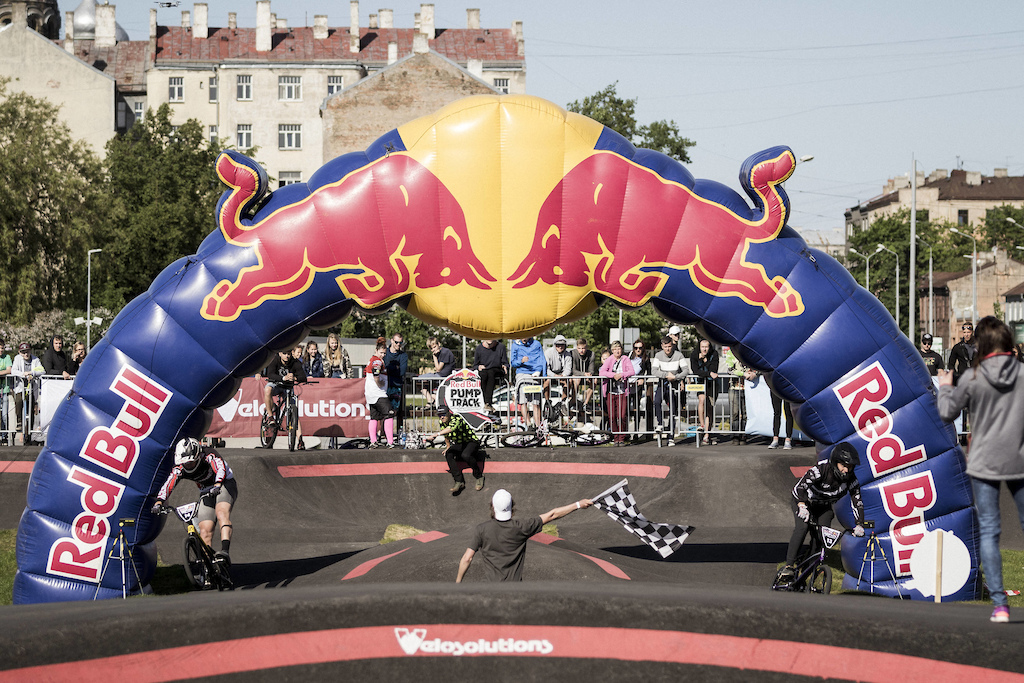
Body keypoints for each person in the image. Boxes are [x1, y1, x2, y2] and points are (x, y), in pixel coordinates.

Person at [937, 316, 1024, 623]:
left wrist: (946, 387)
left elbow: (947, 413)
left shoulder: (973, 379)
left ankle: (1000, 604)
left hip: (985, 461)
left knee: (989, 531)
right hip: (1020, 459)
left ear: (982, 346)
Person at [456, 488, 593, 582]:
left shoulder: (481, 529)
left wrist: (457, 583)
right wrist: (578, 504)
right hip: (515, 590)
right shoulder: (522, 527)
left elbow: (467, 558)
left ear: (493, 507)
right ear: (512, 507)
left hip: (490, 589)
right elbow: (552, 514)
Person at [780, 443, 865, 581]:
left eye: (850, 467)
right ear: (835, 462)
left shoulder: (852, 479)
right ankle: (788, 566)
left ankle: (809, 568)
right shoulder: (820, 469)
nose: (846, 470)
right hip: (805, 502)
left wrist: (859, 524)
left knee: (822, 536)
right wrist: (802, 505)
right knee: (803, 527)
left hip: (824, 506)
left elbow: (857, 502)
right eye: (843, 465)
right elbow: (798, 488)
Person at [152, 437, 238, 563]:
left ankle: (225, 551)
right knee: (205, 529)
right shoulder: (180, 467)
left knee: (221, 513)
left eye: (191, 462)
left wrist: (218, 484)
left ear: (197, 455)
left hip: (224, 484)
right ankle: (208, 569)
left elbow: (220, 468)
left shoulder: (208, 454)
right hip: (206, 491)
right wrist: (159, 501)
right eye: (185, 463)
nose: (188, 465)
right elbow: (169, 484)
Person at [430, 405, 484, 495]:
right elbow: (446, 435)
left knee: (465, 455)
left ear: (449, 413)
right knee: (449, 454)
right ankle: (459, 481)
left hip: (471, 441)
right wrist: (448, 447)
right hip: (460, 444)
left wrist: (436, 434)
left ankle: (479, 476)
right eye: (439, 415)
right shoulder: (441, 421)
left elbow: (450, 429)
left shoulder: (457, 418)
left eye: (443, 414)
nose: (442, 417)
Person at [262, 347, 307, 448]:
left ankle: (300, 440)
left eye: (288, 354)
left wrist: (294, 378)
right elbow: (270, 374)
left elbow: (303, 377)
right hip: (276, 385)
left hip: (288, 388)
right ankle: (270, 416)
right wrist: (283, 378)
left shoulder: (295, 363)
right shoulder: (275, 360)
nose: (286, 356)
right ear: (279, 354)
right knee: (267, 389)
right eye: (284, 354)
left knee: (294, 412)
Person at [652, 336, 687, 443]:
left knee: (673, 410)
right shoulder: (658, 355)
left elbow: (686, 370)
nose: (667, 349)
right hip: (663, 383)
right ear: (662, 346)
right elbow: (654, 371)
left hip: (674, 384)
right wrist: (666, 375)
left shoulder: (678, 355)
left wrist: (676, 377)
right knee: (657, 401)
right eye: (665, 347)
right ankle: (660, 423)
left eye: (669, 346)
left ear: (672, 346)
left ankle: (671, 437)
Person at [600, 341, 634, 445]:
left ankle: (622, 437)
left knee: (622, 415)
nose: (617, 351)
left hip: (622, 391)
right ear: (612, 351)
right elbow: (602, 372)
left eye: (618, 349)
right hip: (611, 391)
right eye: (614, 349)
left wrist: (622, 375)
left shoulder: (625, 359)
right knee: (612, 416)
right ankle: (615, 437)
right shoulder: (609, 360)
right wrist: (613, 375)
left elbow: (632, 371)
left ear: (621, 349)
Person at [365, 338, 396, 447]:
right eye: (381, 352)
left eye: (384, 353)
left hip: (371, 395)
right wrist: (378, 382)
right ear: (376, 351)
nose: (383, 355)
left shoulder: (371, 359)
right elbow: (375, 371)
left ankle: (373, 441)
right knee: (389, 415)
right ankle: (390, 441)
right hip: (378, 394)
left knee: (374, 417)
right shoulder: (376, 360)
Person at [510, 337, 546, 429]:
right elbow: (513, 363)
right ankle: (528, 424)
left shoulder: (536, 344)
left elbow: (542, 360)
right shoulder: (515, 345)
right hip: (522, 374)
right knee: (523, 401)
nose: (524, 338)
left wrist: (543, 374)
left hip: (535, 374)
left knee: (536, 402)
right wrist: (521, 361)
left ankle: (538, 426)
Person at [11, 342, 44, 440]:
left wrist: (32, 373)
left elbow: (42, 371)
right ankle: (19, 421)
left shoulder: (35, 360)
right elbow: (13, 371)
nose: (26, 354)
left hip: (31, 388)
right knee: (19, 400)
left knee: (31, 408)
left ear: (30, 351)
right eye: (23, 352)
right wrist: (24, 374)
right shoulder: (17, 359)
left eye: (27, 351)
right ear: (19, 352)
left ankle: (29, 432)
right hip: (20, 387)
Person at [690, 339, 719, 445]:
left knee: (709, 408)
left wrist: (705, 362)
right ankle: (702, 426)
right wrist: (708, 372)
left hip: (712, 384)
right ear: (699, 347)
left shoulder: (714, 354)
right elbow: (696, 370)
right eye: (702, 347)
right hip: (700, 382)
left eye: (706, 347)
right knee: (702, 400)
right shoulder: (694, 354)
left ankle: (707, 434)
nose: (704, 349)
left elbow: (714, 369)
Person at [419, 337, 456, 408]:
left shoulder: (445, 352)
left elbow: (438, 368)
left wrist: (434, 357)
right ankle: (432, 400)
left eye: (435, 347)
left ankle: (435, 400)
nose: (433, 350)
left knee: (419, 379)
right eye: (431, 349)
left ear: (439, 344)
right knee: (422, 386)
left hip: (443, 376)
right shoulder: (439, 352)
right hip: (439, 375)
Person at [473, 339, 507, 414]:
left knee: (491, 373)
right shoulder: (479, 348)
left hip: (496, 370)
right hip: (485, 371)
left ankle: (488, 402)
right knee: (484, 374)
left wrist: (505, 367)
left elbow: (505, 362)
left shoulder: (500, 347)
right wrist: (478, 367)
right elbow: (475, 365)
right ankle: (485, 402)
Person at [384, 334, 409, 427]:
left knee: (396, 412)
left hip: (397, 386)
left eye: (400, 342)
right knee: (384, 412)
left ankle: (398, 434)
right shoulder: (385, 353)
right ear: (391, 341)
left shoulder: (403, 355)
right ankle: (382, 435)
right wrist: (394, 368)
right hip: (384, 386)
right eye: (396, 342)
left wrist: (388, 369)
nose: (398, 344)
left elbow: (401, 371)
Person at [543, 335, 573, 410]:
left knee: (569, 381)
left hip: (562, 374)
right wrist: (554, 375)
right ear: (555, 345)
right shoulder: (548, 352)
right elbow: (546, 368)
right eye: (558, 345)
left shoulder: (568, 354)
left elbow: (568, 368)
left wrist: (563, 375)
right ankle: (547, 401)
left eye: (562, 345)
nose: (560, 347)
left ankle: (563, 402)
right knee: (547, 381)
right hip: (551, 373)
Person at [569, 337, 596, 415]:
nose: (581, 350)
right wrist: (584, 374)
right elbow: (573, 370)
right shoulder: (573, 353)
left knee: (595, 380)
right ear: (576, 347)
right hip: (577, 376)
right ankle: (574, 402)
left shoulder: (591, 354)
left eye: (583, 348)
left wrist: (589, 375)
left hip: (586, 376)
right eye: (579, 348)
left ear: (586, 347)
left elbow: (592, 370)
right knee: (576, 379)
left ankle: (586, 403)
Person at [0, 340, 11, 443]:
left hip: (4, 390)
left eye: (2, 348)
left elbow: (9, 370)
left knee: (4, 414)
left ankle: (4, 435)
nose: (0, 350)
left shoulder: (6, 358)